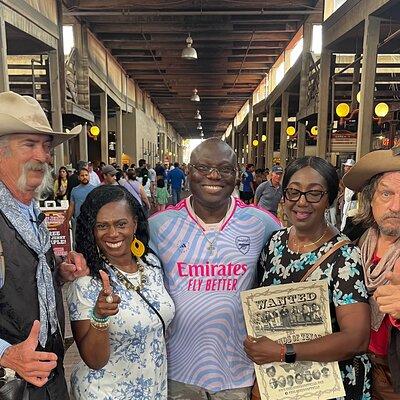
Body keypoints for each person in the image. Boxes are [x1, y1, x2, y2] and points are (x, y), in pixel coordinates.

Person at [149, 138, 280, 399]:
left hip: (239, 371)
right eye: (203, 167)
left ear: (236, 175)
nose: (214, 176)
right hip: (178, 370)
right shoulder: (159, 225)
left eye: (224, 169)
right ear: (189, 172)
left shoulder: (262, 223)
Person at [246, 156, 371, 400]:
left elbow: (356, 339)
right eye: (293, 192)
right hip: (280, 384)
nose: (301, 202)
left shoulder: (344, 257)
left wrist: (283, 352)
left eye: (314, 193)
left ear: (330, 200)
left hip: (329, 388)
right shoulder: (274, 243)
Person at [0, 91, 88, 399]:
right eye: (29, 144)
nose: (43, 156)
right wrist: (5, 354)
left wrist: (57, 273)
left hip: (48, 378)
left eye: (46, 146)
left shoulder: (31, 209)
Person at [66, 185, 175, 399]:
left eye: (121, 224)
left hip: (152, 389)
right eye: (102, 226)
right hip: (105, 392)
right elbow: (94, 360)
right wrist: (100, 316)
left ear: (135, 223)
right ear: (92, 230)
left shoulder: (151, 264)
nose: (113, 233)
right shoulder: (86, 282)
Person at [343, 147, 400, 399]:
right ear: (370, 198)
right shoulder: (352, 238)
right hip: (352, 366)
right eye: (386, 193)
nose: (396, 206)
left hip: (393, 375)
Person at [340, 159, 357, 230]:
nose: (345, 168)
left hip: (352, 204)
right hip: (347, 203)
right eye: (345, 166)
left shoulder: (353, 178)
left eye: (347, 166)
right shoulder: (346, 176)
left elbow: (350, 195)